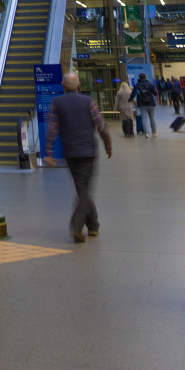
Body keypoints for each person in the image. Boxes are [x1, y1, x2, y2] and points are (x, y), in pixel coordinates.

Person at [46, 71, 113, 242]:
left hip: (70, 152)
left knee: (82, 188)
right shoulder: (88, 101)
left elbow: (52, 129)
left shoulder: (57, 102)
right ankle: (77, 225)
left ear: (63, 85)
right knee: (84, 189)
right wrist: (108, 146)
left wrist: (49, 153)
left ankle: (93, 225)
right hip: (88, 151)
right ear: (78, 85)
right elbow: (102, 126)